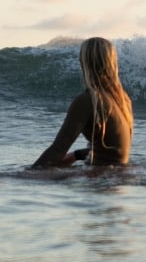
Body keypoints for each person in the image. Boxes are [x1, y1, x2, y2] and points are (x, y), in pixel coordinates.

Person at [32, 37, 133, 168]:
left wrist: (24, 174)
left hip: (99, 178)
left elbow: (57, 150)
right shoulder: (123, 100)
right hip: (116, 181)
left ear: (84, 63)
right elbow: (112, 151)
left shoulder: (88, 101)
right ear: (113, 63)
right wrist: (76, 155)